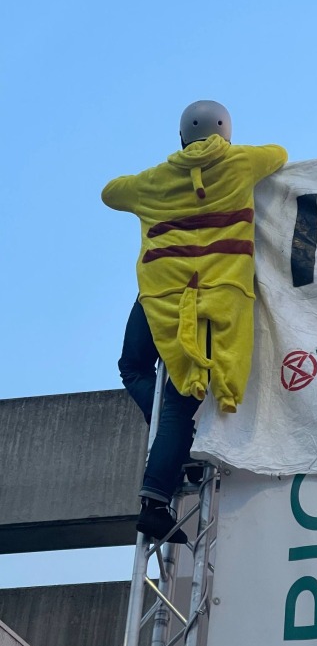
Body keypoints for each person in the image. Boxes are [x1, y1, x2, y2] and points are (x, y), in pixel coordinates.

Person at [102, 100, 287, 541]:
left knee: (135, 368)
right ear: (227, 134)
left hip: (160, 296)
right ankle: (157, 496)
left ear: (182, 137)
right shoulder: (242, 163)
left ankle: (169, 459)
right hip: (215, 297)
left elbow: (110, 192)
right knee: (182, 399)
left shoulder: (154, 180)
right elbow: (279, 154)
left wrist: (165, 180)